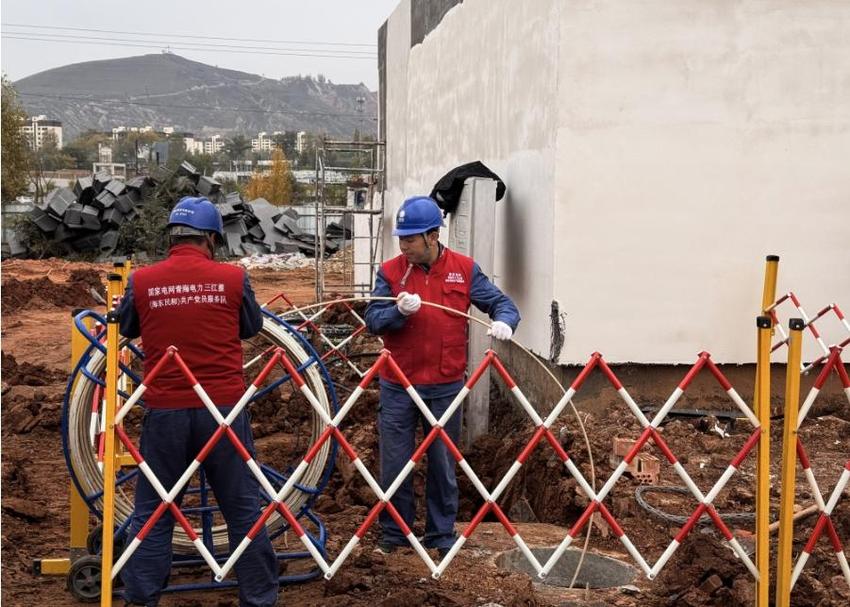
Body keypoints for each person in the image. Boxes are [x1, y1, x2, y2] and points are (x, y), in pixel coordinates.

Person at [117, 196, 278, 607]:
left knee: (154, 512)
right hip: (222, 410)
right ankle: (259, 598)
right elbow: (251, 327)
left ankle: (141, 597)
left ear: (172, 236)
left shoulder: (142, 280)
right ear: (211, 239)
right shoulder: (233, 278)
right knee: (243, 508)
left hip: (166, 410)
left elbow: (127, 327)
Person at [365, 195, 520, 557]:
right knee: (396, 463)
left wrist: (505, 322)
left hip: (445, 385)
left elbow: (502, 304)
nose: (403, 245)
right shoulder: (390, 272)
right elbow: (373, 319)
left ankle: (440, 535)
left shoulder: (464, 270)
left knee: (442, 464)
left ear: (433, 236)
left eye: (411, 238)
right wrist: (398, 312)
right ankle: (396, 533)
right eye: (400, 238)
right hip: (399, 385)